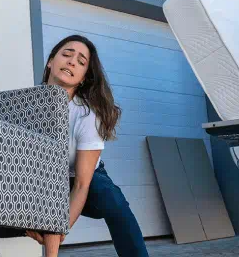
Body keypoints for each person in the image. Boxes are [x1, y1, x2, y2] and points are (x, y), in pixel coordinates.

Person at [25, 35, 149, 257]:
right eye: (66, 54)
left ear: (83, 78)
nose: (72, 61)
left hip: (83, 179)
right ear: (50, 62)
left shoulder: (87, 114)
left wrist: (61, 230)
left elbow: (82, 184)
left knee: (114, 202)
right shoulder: (26, 104)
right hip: (40, 179)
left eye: (81, 62)